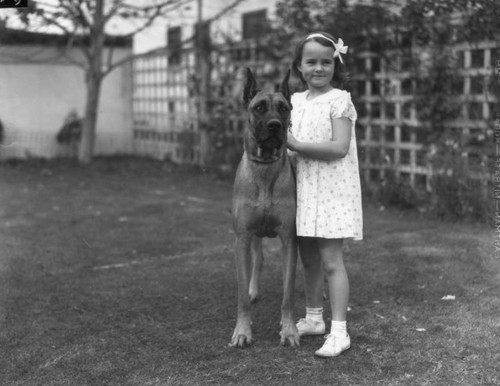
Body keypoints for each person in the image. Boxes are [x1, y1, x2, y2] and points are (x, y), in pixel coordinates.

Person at [287, 31, 363, 358]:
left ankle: (339, 331)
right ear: (299, 66)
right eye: (311, 62)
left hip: (332, 191)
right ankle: (314, 318)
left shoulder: (339, 100)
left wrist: (296, 146)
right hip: (303, 190)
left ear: (336, 64)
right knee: (309, 260)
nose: (319, 68)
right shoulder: (295, 101)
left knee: (332, 261)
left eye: (326, 62)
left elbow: (339, 147)